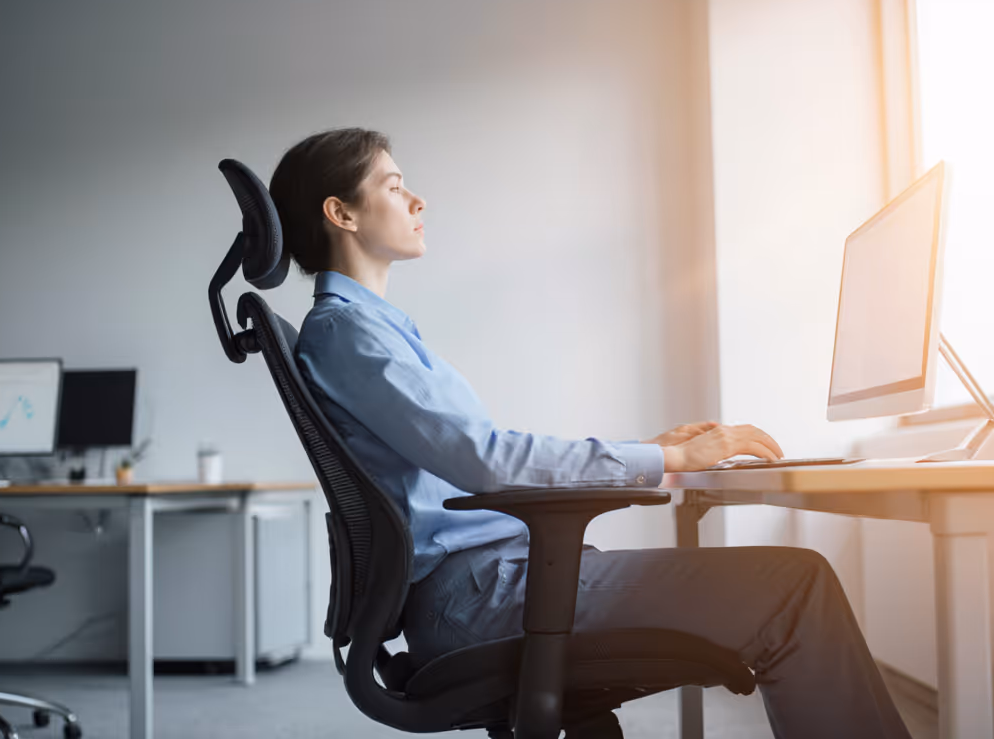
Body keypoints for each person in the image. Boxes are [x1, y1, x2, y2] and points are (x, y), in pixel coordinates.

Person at [272, 127, 912, 739]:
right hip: (481, 596)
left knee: (792, 581)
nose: (418, 201)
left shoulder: (370, 329)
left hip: (494, 582)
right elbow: (489, 461)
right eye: (393, 186)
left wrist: (657, 450)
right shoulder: (350, 332)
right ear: (342, 213)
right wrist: (663, 457)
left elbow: (485, 458)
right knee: (796, 585)